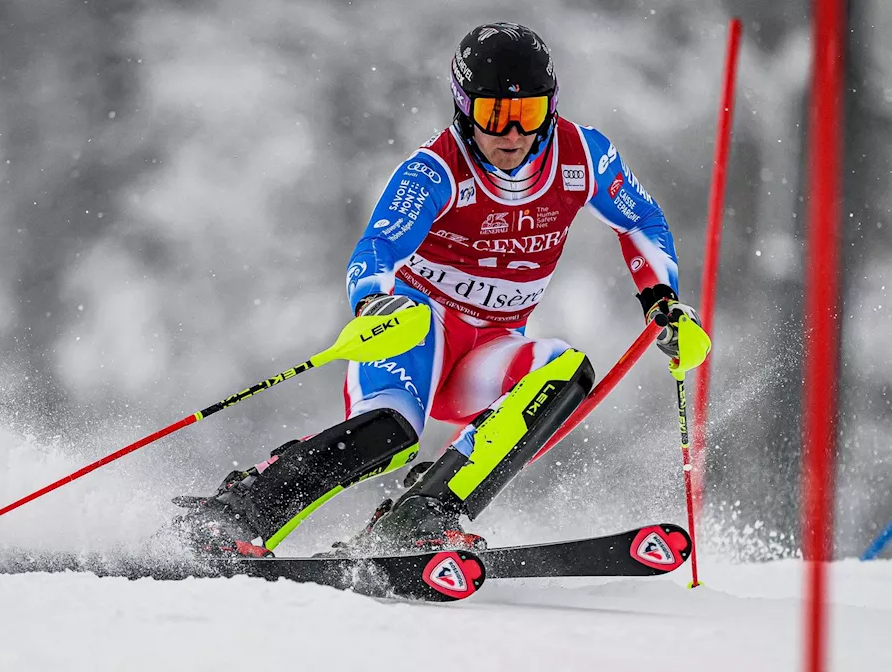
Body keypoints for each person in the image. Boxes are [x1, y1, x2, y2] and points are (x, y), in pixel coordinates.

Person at [173, 22, 703, 557]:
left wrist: (661, 301)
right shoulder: (436, 168)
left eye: (529, 115)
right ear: (463, 106)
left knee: (565, 372)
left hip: (489, 350)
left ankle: (425, 512)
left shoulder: (583, 157)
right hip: (419, 330)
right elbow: (378, 246)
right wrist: (375, 301)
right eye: (495, 114)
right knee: (393, 431)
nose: (513, 135)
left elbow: (642, 222)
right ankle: (242, 511)